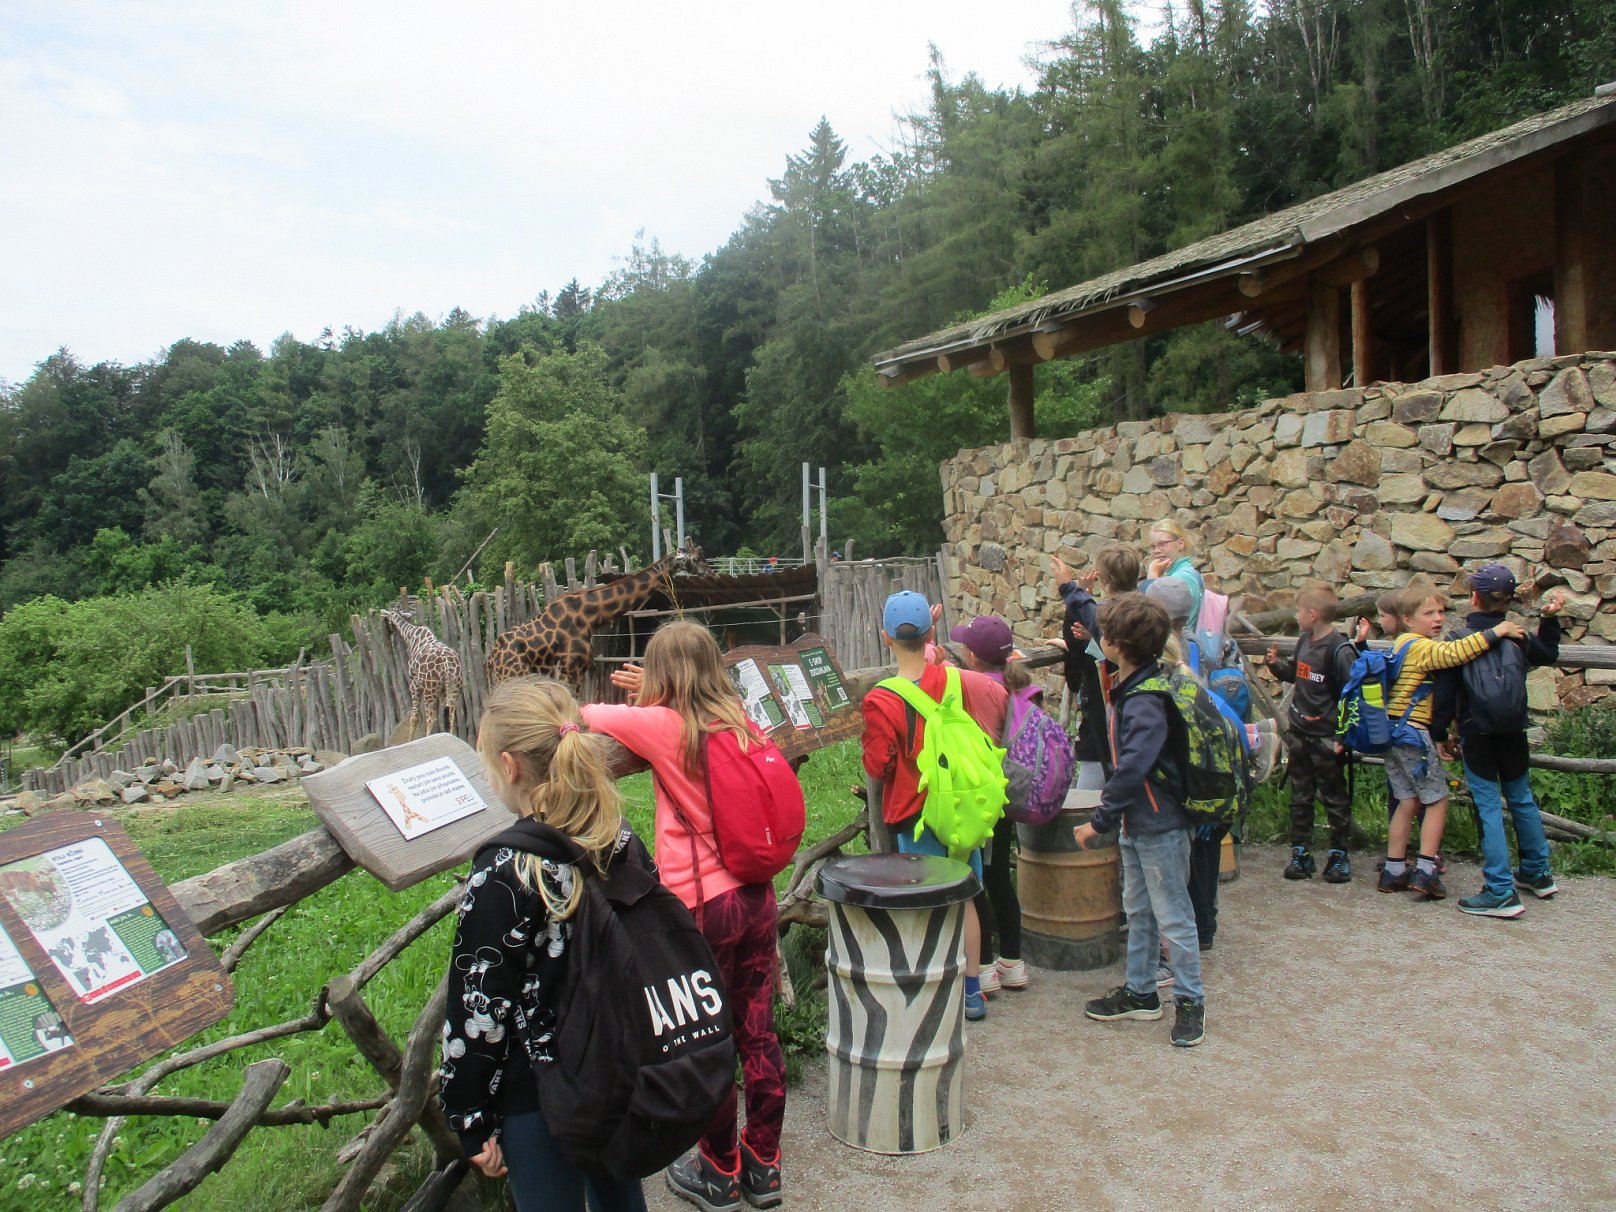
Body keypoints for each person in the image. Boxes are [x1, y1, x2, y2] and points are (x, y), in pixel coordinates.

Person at [582, 622, 786, 1212]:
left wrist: (645, 699)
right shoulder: (741, 718)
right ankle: (764, 1163)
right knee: (758, 1032)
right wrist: (659, 688)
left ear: (664, 677)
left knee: (708, 1040)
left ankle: (719, 1170)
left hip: (703, 906)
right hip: (756, 893)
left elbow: (589, 714)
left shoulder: (662, 725)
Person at [438, 677, 650, 1212]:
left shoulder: (506, 871)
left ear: (509, 766)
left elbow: (479, 1006)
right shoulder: (617, 838)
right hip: (615, 1063)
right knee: (620, 1197)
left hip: (537, 1092)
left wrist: (470, 1116)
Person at [862, 590, 1007, 1021]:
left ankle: (932, 996)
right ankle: (972, 993)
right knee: (965, 897)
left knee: (926, 903)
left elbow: (879, 764)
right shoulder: (956, 679)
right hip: (963, 808)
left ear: (886, 637)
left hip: (918, 814)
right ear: (930, 635)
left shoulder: (882, 698)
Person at [1074, 593, 1205, 1049]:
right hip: (1137, 823)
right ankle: (1141, 991)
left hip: (1159, 824)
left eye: (1104, 634)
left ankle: (1190, 1000)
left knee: (1173, 916)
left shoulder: (1144, 698)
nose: (1100, 639)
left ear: (1116, 645)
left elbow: (1134, 766)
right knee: (1140, 910)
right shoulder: (1134, 683)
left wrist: (1100, 820)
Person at [1377, 576, 1526, 899]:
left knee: (1408, 800)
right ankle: (1426, 870)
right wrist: (1497, 631)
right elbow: (1455, 652)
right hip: (1413, 733)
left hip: (1393, 732)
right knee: (1437, 800)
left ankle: (1394, 869)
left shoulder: (1401, 643)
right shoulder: (1421, 647)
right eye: (1429, 613)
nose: (1438, 619)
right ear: (1407, 619)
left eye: (1441, 612)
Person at [1431, 565, 1565, 918]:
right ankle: (1537, 872)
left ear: (1473, 596)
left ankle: (1500, 890)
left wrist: (1440, 733)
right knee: (1521, 800)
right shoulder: (1517, 635)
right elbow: (1547, 654)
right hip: (1513, 730)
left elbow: (1445, 693)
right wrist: (1549, 619)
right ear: (1507, 600)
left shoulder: (1459, 640)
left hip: (1477, 733)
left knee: (1488, 806)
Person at [949, 613, 1032, 996]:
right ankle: (1011, 961)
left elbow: (930, 666)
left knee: (977, 879)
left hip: (980, 797)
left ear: (972, 655)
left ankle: (982, 966)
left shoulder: (974, 683)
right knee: (998, 876)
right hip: (1007, 792)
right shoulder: (1014, 682)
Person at [1265, 584, 1359, 884]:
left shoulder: (1339, 650)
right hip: (1300, 734)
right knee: (1300, 797)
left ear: (1313, 614)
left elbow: (1351, 697)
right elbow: (1296, 673)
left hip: (1326, 738)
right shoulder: (1305, 640)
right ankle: (1301, 853)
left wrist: (1342, 737)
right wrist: (1275, 666)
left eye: (1299, 611)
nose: (1296, 616)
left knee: (1334, 798)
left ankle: (1339, 854)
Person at [1051, 545, 1140, 791]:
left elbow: (1082, 645)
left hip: (1103, 725)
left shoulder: (1115, 620)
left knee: (1090, 794)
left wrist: (1071, 588)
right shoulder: (1141, 612)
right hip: (1115, 730)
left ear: (1104, 579)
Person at [1144, 518, 1204, 630]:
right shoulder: (1184, 573)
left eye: (1162, 544)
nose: (1157, 550)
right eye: (1153, 546)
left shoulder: (1181, 578)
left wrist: (1152, 579)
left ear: (1180, 544)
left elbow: (1157, 617)